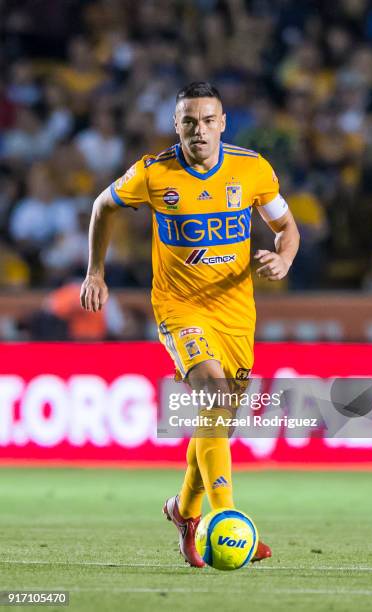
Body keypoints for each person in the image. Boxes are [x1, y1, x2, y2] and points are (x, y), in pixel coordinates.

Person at [80, 82, 300, 567]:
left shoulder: (252, 168)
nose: (198, 131)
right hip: (180, 309)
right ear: (175, 125)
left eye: (206, 120)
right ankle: (228, 520)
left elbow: (287, 226)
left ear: (223, 123)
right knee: (214, 397)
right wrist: (96, 270)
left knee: (218, 421)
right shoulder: (155, 173)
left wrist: (284, 259)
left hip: (237, 313)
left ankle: (185, 511)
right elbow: (102, 206)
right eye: (188, 122)